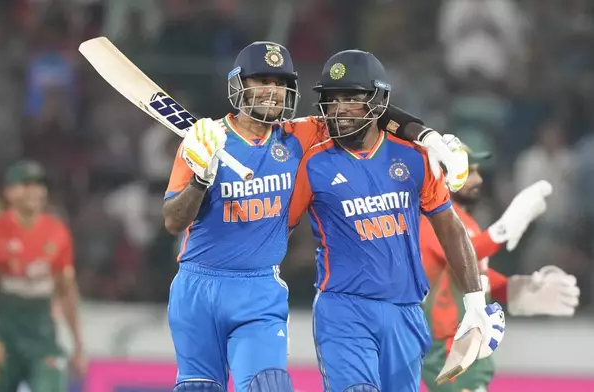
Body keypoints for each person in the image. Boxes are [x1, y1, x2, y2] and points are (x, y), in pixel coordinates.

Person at [163, 41, 470, 392]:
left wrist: (426, 135)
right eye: (261, 80)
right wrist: (201, 179)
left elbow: (366, 109)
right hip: (198, 284)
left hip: (260, 287)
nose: (271, 92)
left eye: (279, 83)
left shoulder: (302, 136)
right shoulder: (204, 140)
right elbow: (173, 220)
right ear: (239, 85)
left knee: (269, 385)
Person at [287, 49, 505, 392]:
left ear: (378, 101)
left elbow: (449, 227)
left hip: (405, 311)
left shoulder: (415, 156)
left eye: (351, 98)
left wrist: (475, 300)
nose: (339, 109)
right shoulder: (311, 152)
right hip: (343, 309)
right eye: (331, 100)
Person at [420, 145, 580, 392]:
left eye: (477, 171)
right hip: (449, 346)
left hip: (470, 342)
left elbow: (473, 274)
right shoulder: (430, 219)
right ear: (443, 174)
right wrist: (505, 227)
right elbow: (462, 256)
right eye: (467, 171)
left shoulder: (465, 220)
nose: (477, 179)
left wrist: (515, 290)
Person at [0, 160, 85, 392]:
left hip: (43, 339)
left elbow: (67, 291)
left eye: (39, 184)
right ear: (9, 192)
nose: (34, 191)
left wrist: (78, 345)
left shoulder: (57, 233)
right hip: (2, 338)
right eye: (26, 184)